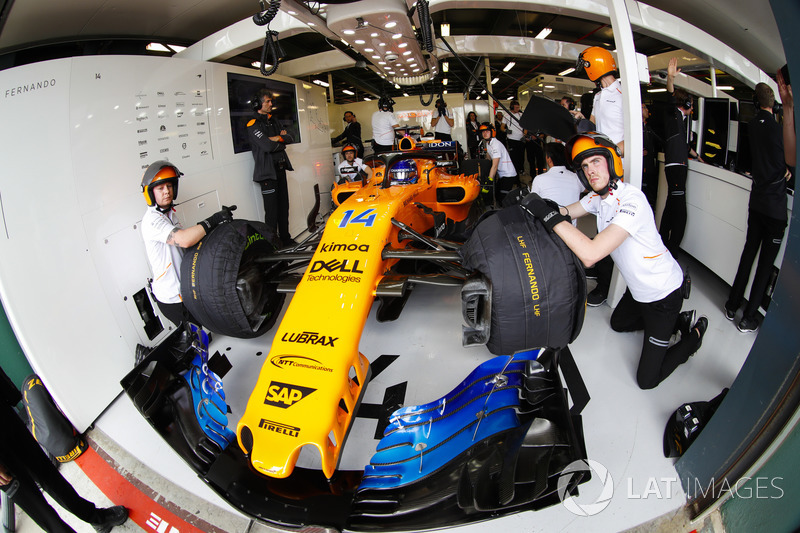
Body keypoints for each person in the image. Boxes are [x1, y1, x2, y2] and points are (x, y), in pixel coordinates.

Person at [523, 132, 707, 390]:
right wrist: (537, 206)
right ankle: (675, 322)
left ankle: (693, 335)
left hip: (663, 294)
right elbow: (566, 212)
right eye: (585, 166)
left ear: (611, 163)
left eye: (595, 162)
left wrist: (548, 216)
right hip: (638, 292)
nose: (590, 171)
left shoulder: (631, 200)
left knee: (647, 380)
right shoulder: (598, 198)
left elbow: (590, 254)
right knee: (618, 324)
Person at [0, 366, 129, 533]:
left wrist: (9, 393)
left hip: (5, 420)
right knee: (41, 510)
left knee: (50, 477)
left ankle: (96, 518)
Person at [724, 79, 793, 333]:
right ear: (773, 104)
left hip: (757, 203)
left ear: (755, 103)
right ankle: (748, 318)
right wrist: (786, 171)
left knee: (748, 254)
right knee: (764, 266)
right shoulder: (778, 129)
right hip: (774, 209)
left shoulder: (752, 125)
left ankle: (732, 305)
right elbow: (787, 158)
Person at [140, 160, 233, 327]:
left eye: (169, 186)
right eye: (160, 188)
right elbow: (183, 239)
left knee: (203, 332)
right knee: (197, 339)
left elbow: (185, 241)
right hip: (172, 298)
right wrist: (214, 219)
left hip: (183, 291)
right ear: (150, 193)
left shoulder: (169, 215)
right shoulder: (152, 221)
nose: (166, 192)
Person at [577, 46, 626, 305]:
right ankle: (601, 265)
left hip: (617, 169)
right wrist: (580, 120)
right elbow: (594, 125)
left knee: (611, 223)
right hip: (602, 167)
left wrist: (614, 152)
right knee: (601, 218)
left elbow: (635, 133)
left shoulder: (622, 92)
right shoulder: (598, 95)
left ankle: (607, 284)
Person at [659, 57, 702, 255]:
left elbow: (685, 145)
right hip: (675, 166)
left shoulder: (681, 121)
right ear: (683, 103)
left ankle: (662, 241)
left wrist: (699, 157)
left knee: (670, 205)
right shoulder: (672, 114)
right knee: (680, 211)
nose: (692, 108)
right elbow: (670, 96)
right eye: (690, 104)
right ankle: (673, 250)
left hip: (678, 163)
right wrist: (670, 78)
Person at [248, 88, 295, 246]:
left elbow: (290, 137)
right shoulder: (253, 124)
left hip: (280, 170)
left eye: (271, 101)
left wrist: (277, 138)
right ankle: (273, 246)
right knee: (272, 213)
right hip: (267, 175)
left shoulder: (274, 120)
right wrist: (280, 142)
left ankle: (286, 239)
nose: (271, 104)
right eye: (268, 101)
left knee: (284, 208)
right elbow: (267, 146)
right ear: (258, 103)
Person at [577, 46, 625, 155]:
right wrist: (582, 119)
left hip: (619, 163)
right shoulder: (598, 96)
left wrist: (610, 153)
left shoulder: (623, 95)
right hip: (600, 160)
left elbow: (634, 136)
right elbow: (593, 127)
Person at [530, 142, 584, 225]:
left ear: (549, 159)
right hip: (572, 229)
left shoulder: (539, 179)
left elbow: (533, 206)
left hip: (548, 228)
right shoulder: (576, 178)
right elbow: (587, 189)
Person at [479, 122, 517, 205]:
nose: (485, 133)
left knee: (503, 199)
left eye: (487, 131)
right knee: (496, 195)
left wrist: (489, 180)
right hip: (502, 175)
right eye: (483, 132)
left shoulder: (496, 145)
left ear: (492, 132)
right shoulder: (488, 144)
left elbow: (495, 165)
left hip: (508, 175)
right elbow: (488, 159)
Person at [641, 103, 662, 209]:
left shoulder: (648, 128)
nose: (646, 110)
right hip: (642, 166)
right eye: (644, 107)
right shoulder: (635, 128)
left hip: (650, 166)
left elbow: (660, 141)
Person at [503, 100, 526, 175]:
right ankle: (514, 171)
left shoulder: (521, 115)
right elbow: (502, 127)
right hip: (511, 139)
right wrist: (506, 130)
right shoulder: (506, 115)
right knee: (513, 157)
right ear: (512, 107)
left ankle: (521, 169)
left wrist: (524, 135)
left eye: (518, 107)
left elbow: (525, 127)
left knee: (521, 156)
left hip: (521, 139)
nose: (518, 109)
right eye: (516, 107)